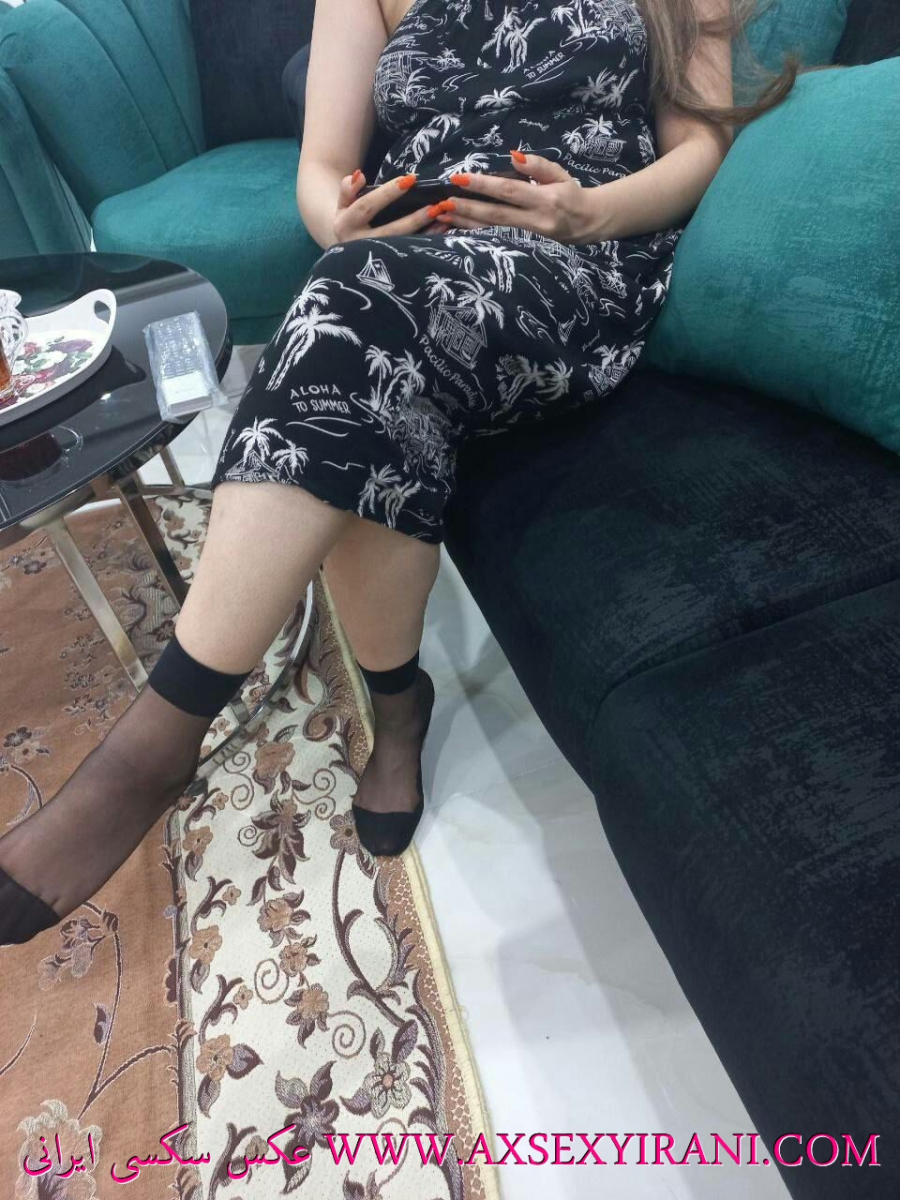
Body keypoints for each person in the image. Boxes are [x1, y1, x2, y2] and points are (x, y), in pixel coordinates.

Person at [0, 0, 795, 945]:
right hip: (403, 270)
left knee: (347, 319)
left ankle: (159, 740)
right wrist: (336, 222)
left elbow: (701, 146)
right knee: (358, 360)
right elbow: (320, 167)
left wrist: (590, 211)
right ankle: (397, 704)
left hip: (575, 263)